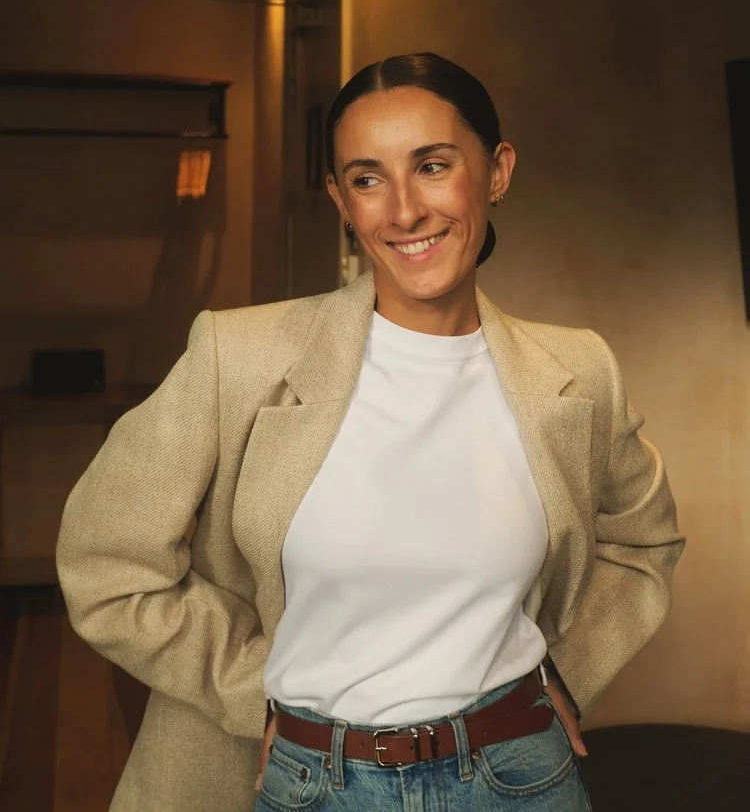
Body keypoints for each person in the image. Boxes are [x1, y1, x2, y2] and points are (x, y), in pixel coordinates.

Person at [57, 53, 684, 812]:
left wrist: (571, 671)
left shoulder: (579, 372)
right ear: (340, 199)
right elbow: (106, 565)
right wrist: (253, 688)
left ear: (496, 172)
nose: (404, 210)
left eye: (432, 165)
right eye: (367, 178)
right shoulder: (238, 358)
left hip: (521, 776)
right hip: (310, 781)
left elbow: (642, 542)